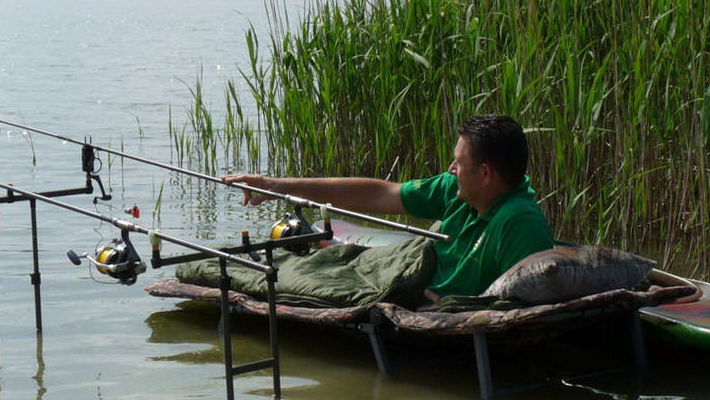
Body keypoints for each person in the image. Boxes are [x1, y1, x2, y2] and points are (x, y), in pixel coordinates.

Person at [223, 114, 555, 299]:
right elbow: (380, 195)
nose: (451, 170)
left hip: (425, 304)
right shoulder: (455, 191)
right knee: (322, 265)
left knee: (302, 281)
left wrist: (451, 309)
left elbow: (520, 307)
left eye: (457, 163)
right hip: (403, 275)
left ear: (484, 174)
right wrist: (274, 187)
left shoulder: (520, 222)